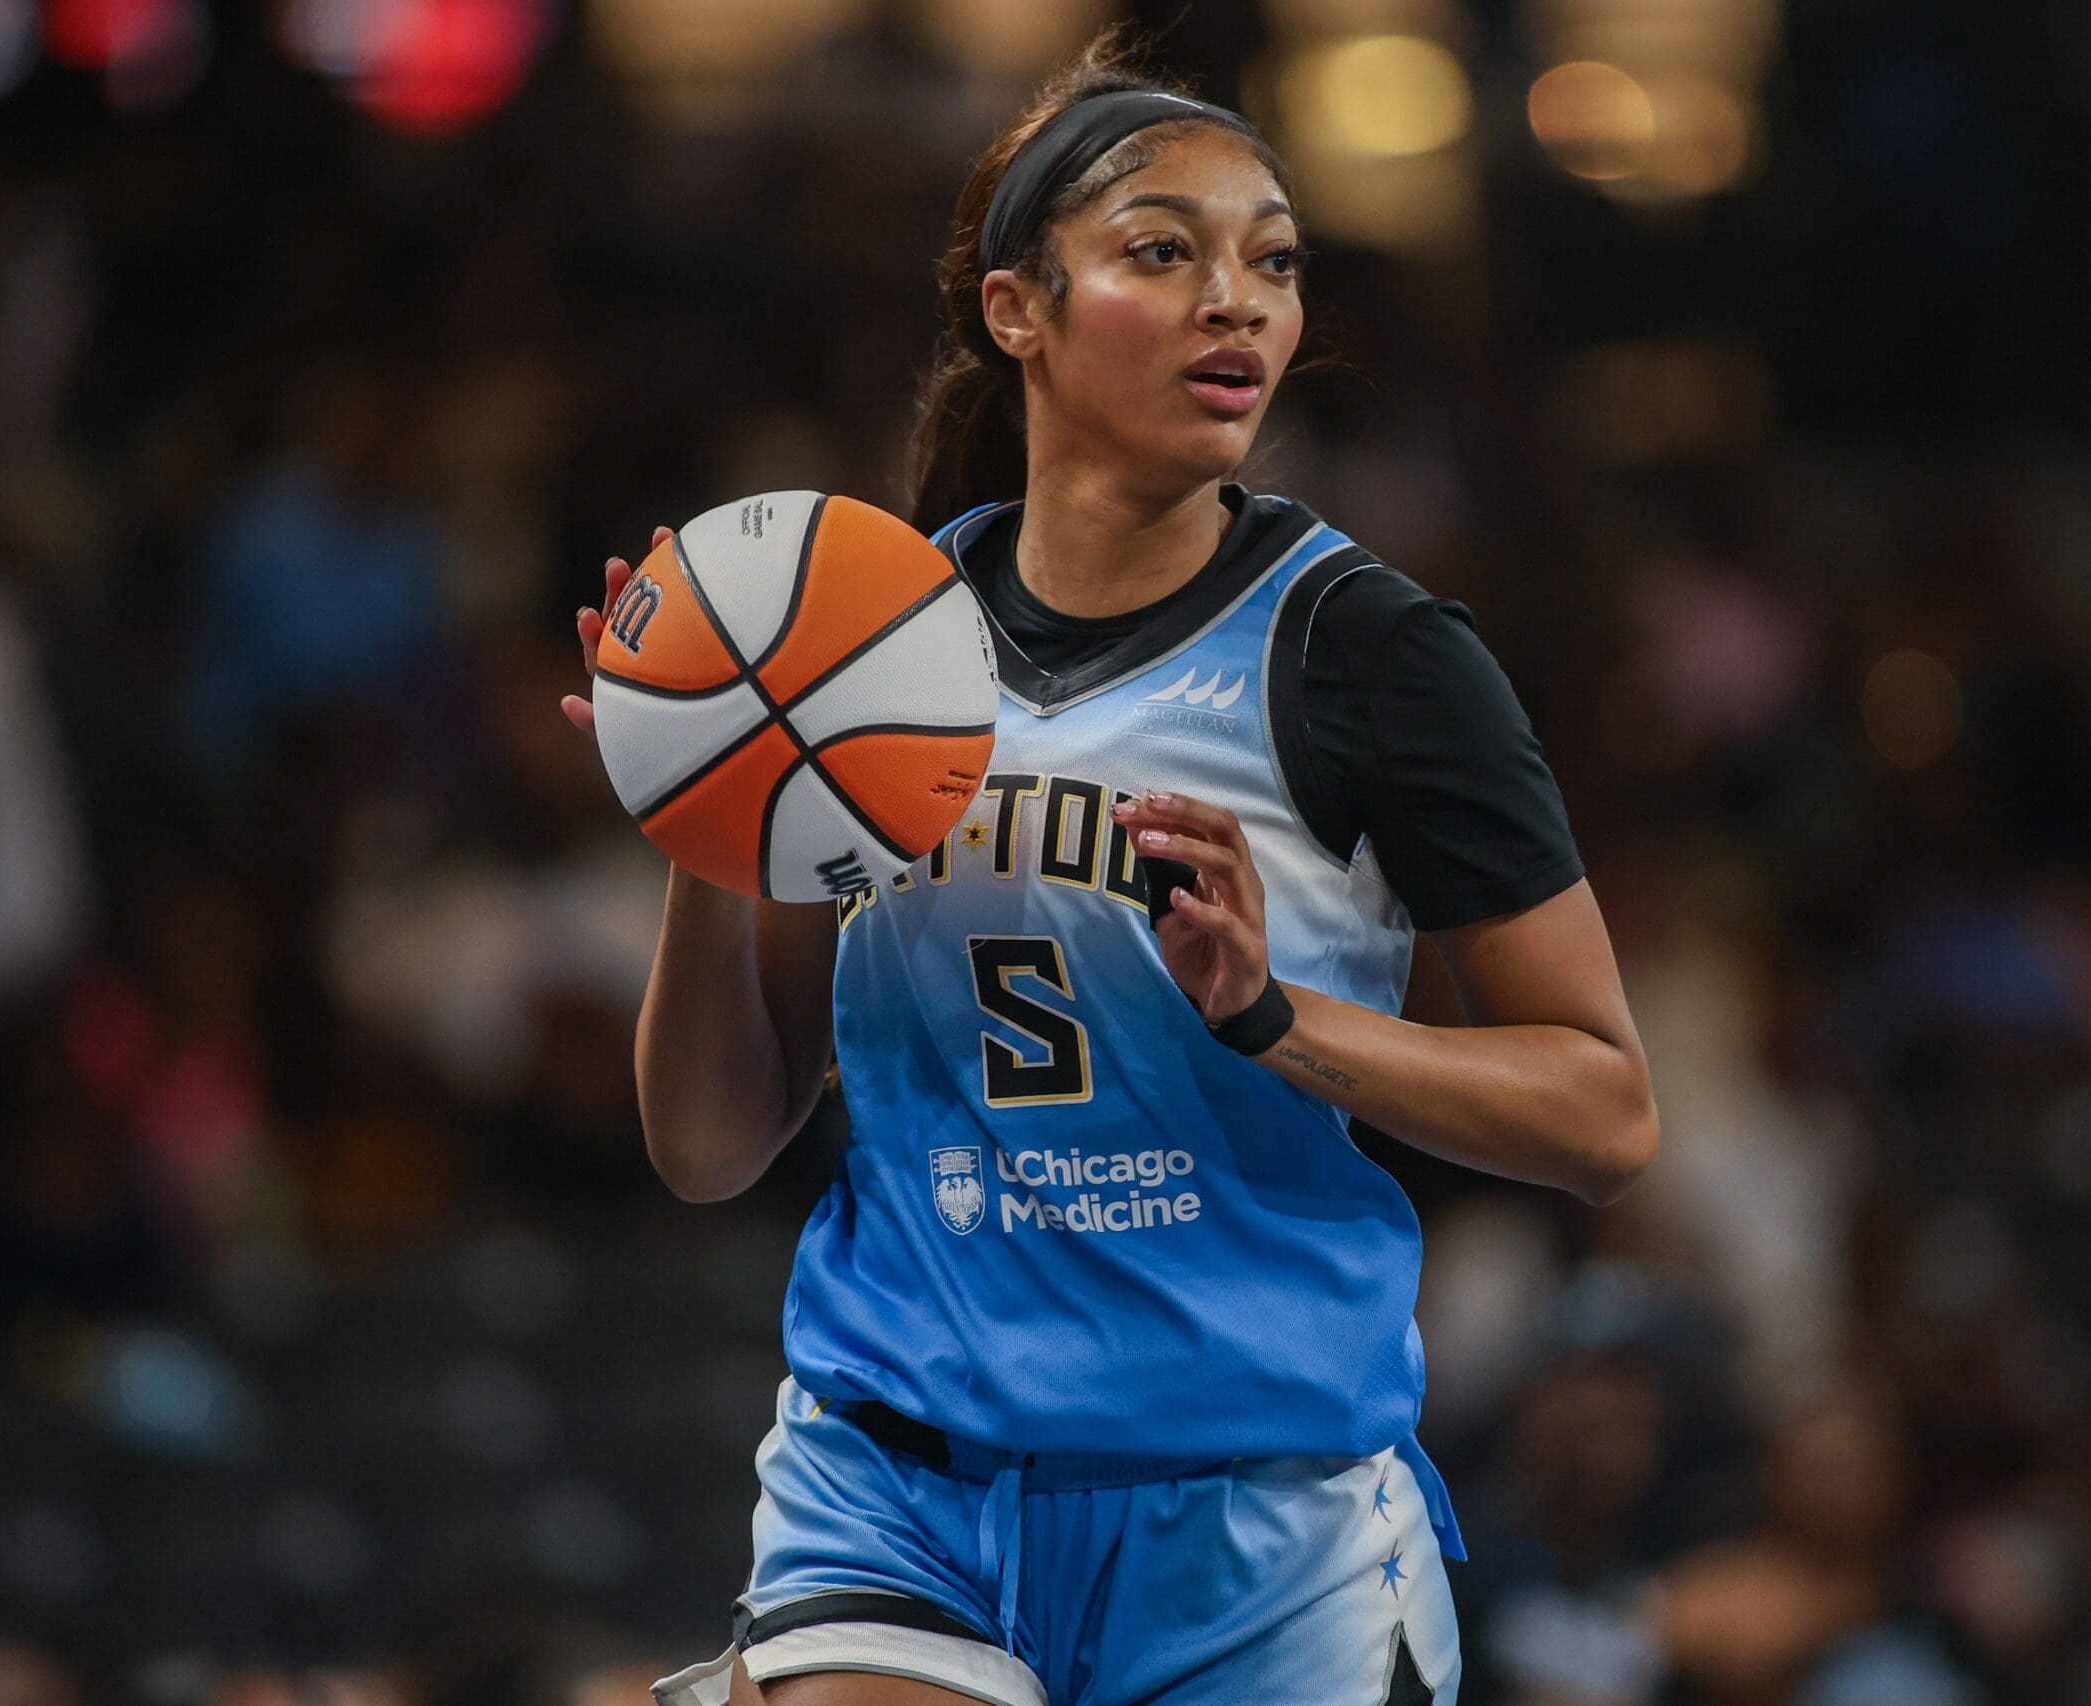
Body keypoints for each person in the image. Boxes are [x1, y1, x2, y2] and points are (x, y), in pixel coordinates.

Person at [560, 33, 1659, 1706]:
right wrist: (712, 815)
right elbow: (710, 1147)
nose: (1241, 303)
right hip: (896, 1479)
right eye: (1166, 252)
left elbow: (1603, 1112)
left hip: (1253, 1517)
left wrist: (1277, 1017)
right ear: (1019, 309)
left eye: (1273, 263)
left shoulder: (1369, 652)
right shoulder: (853, 643)